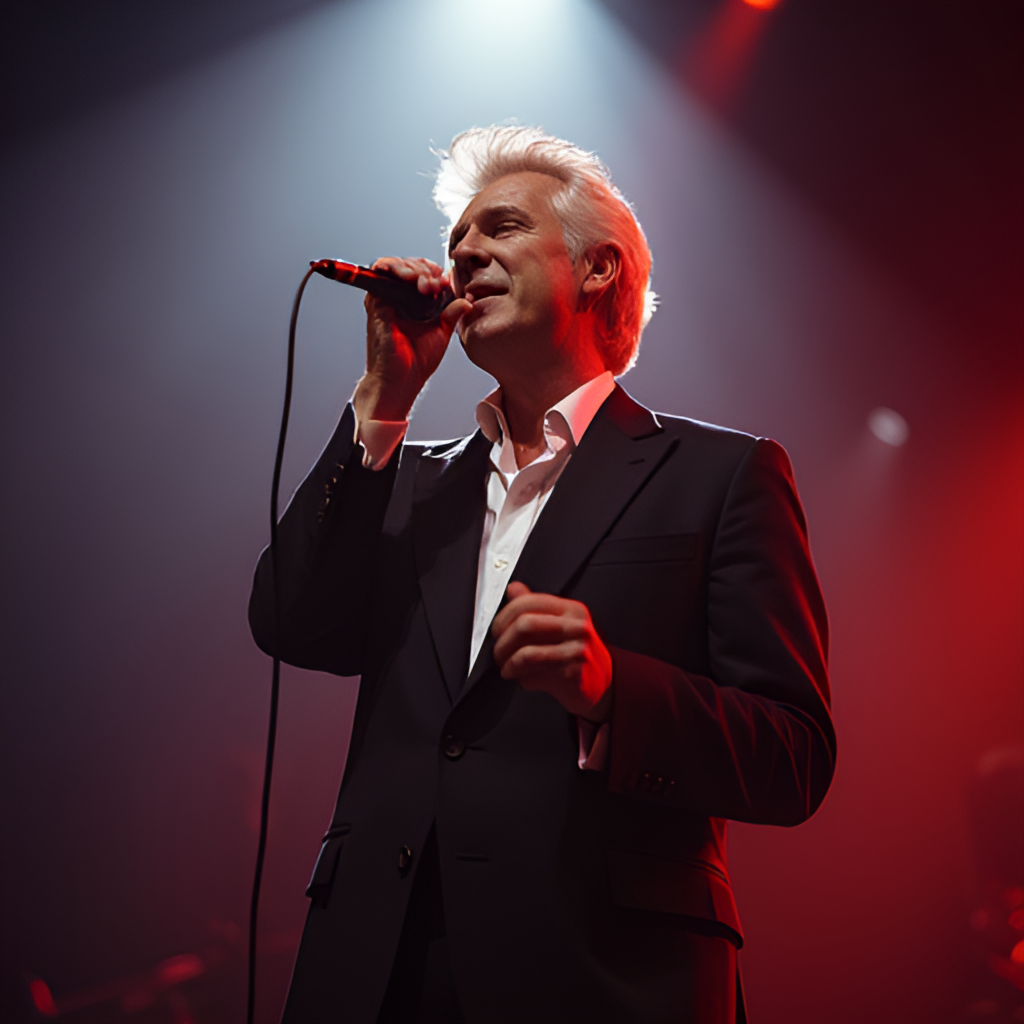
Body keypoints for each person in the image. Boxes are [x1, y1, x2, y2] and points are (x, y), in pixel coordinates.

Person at [248, 125, 835, 1024]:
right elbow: (292, 623)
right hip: (373, 972)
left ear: (597, 270)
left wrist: (613, 692)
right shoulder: (407, 481)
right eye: (456, 242)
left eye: (502, 228)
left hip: (597, 974)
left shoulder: (722, 476)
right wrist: (383, 400)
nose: (462, 256)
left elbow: (792, 758)